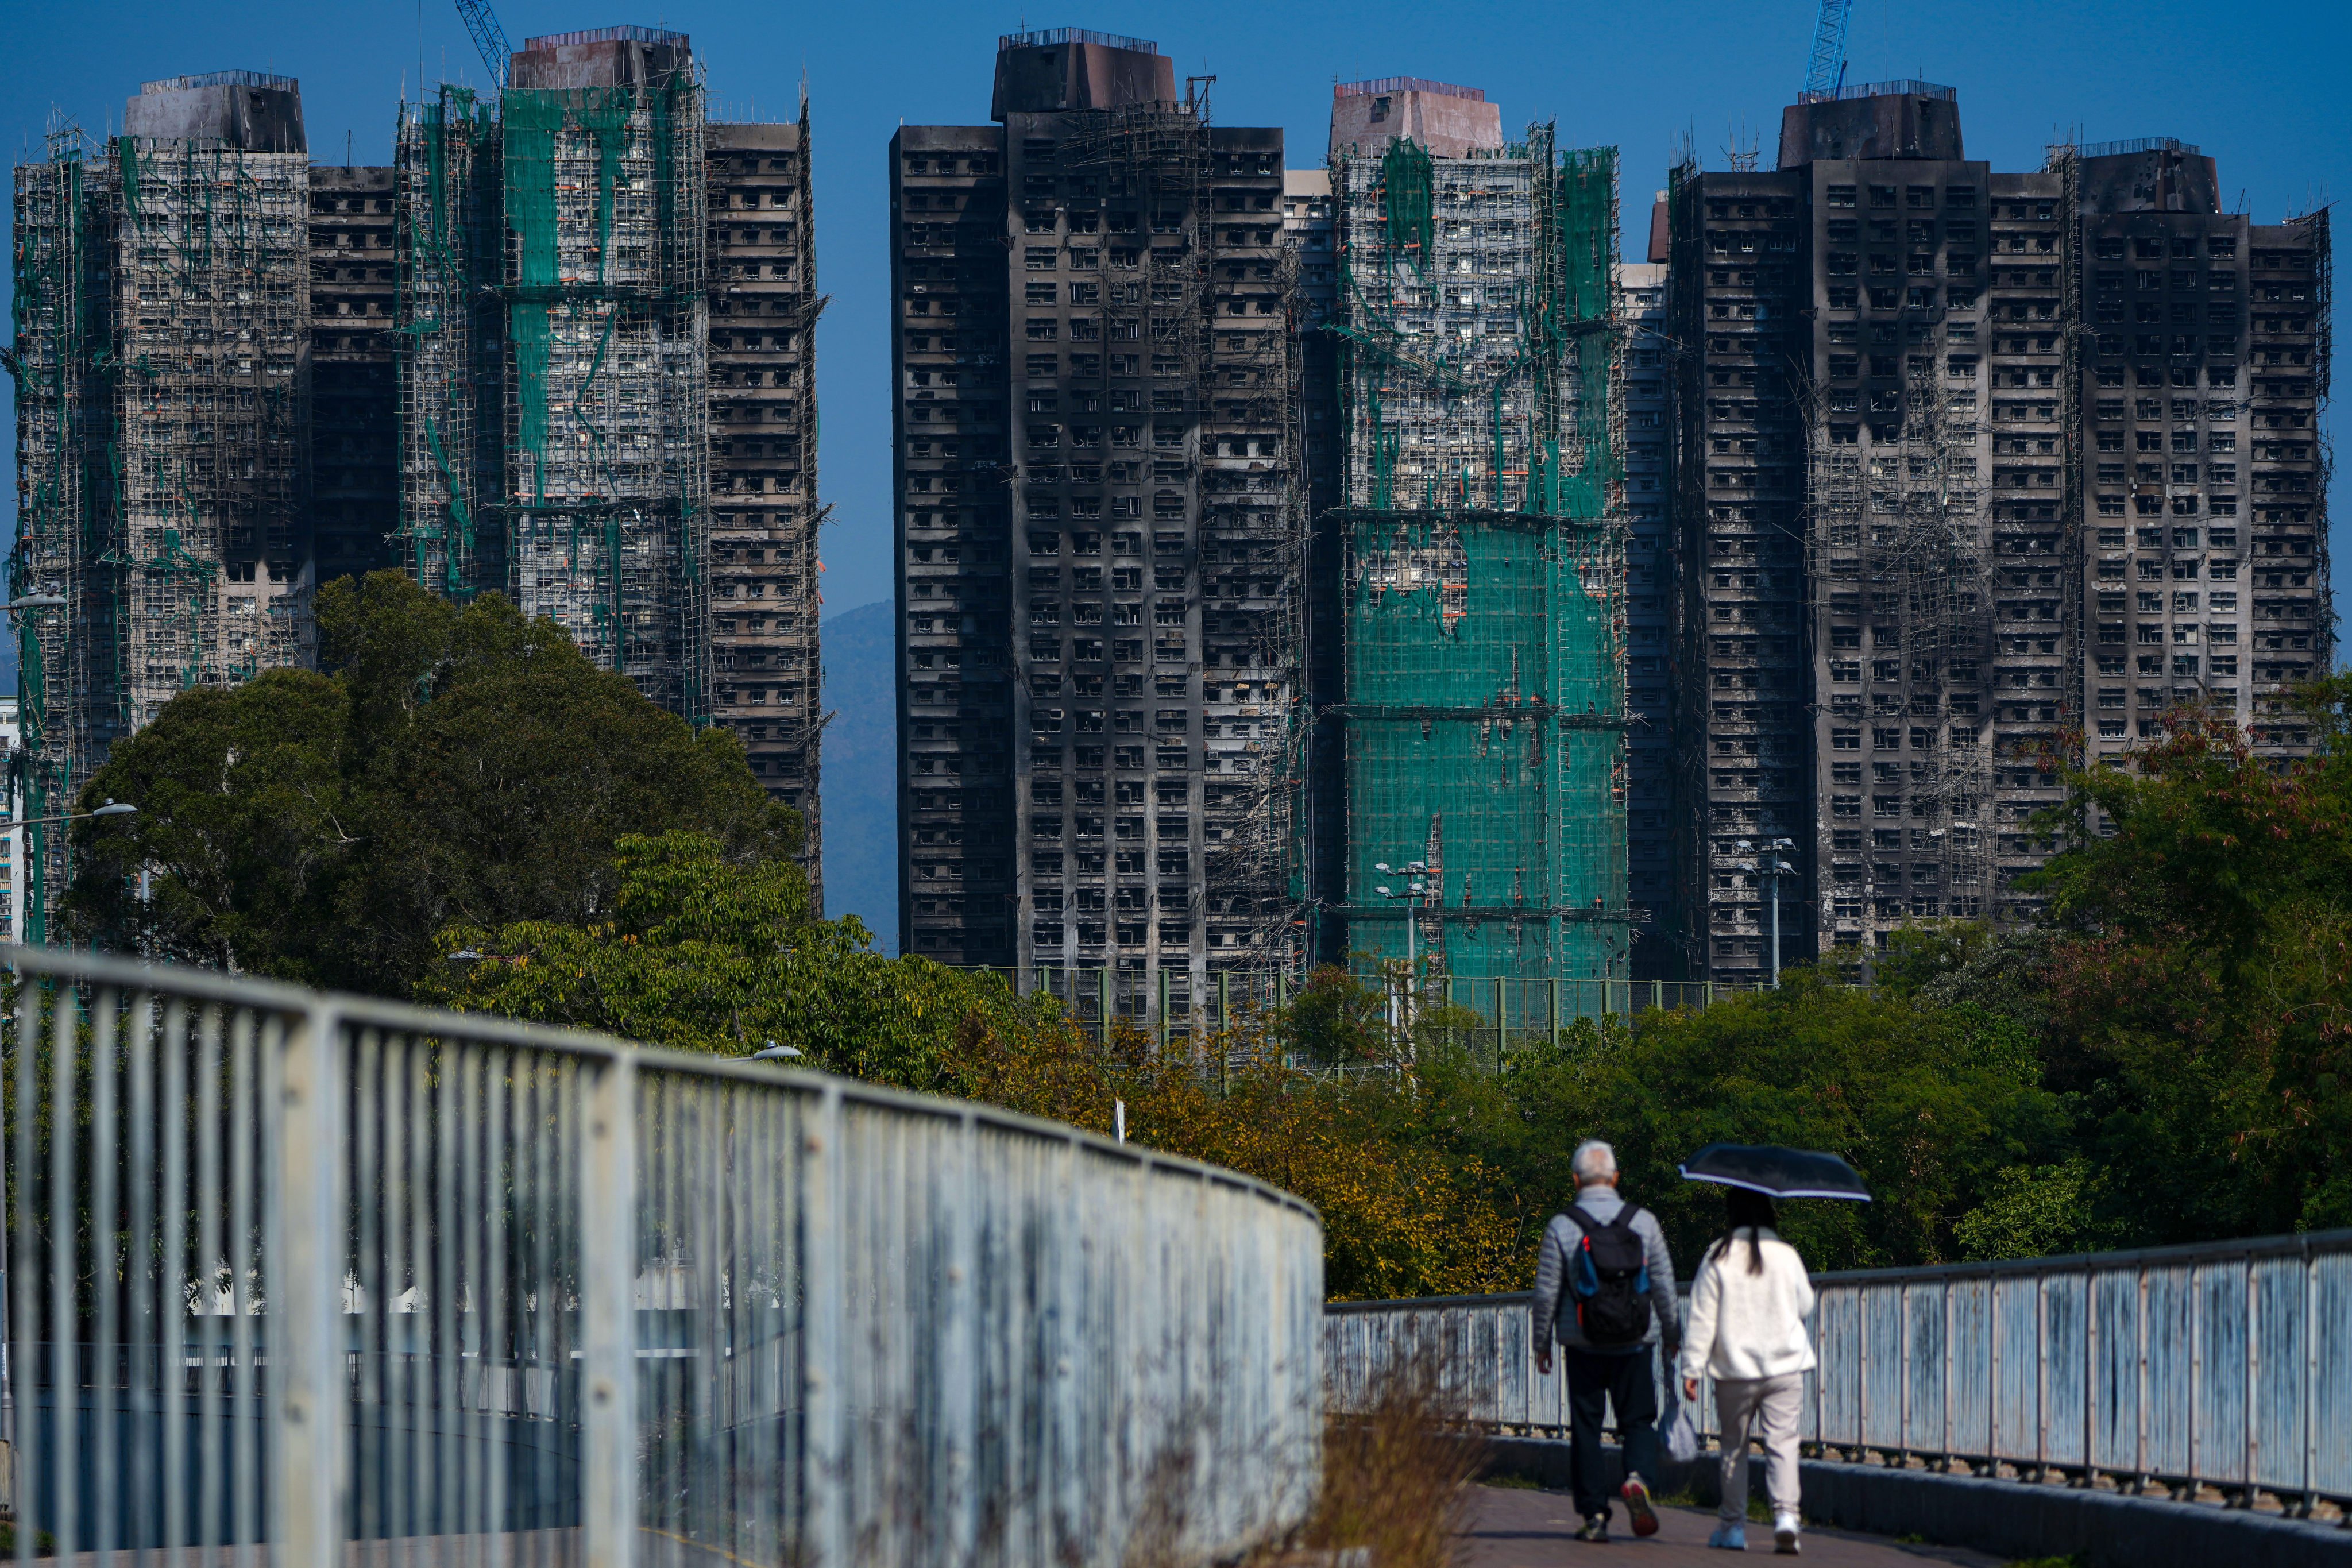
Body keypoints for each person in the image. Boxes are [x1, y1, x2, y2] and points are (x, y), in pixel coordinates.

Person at [1531, 1139, 1681, 1543]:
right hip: (1635, 1340)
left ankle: (1595, 1516)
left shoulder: (1562, 1226)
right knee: (1638, 1420)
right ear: (1615, 1178)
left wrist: (1541, 1342)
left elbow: (1546, 1291)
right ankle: (1637, 1478)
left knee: (1586, 1428)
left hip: (1582, 1342)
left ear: (1576, 1180)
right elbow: (1664, 1284)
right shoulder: (1643, 1222)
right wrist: (1672, 1334)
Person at [1679, 1186, 1817, 1555]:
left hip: (1734, 1371)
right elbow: (1805, 1303)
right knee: (1783, 1443)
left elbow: (1702, 1317)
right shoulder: (1786, 1254)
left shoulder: (1718, 1255)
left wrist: (1692, 1367)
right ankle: (1786, 1517)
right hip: (1785, 1367)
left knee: (1734, 1447)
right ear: (1769, 1212)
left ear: (1732, 1214)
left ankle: (1733, 1527)